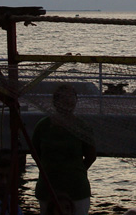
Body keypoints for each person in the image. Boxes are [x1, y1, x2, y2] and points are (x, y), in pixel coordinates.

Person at [32, 84, 96, 215]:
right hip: (48, 187)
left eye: (72, 97)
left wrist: (76, 171)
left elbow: (91, 156)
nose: (69, 101)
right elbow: (35, 152)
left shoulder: (82, 127)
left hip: (76, 189)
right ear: (56, 102)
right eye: (64, 97)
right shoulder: (43, 126)